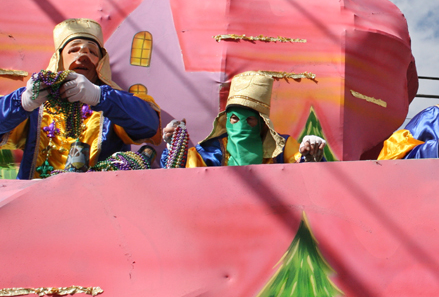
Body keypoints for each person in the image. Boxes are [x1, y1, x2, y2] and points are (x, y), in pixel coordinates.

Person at [0, 18, 162, 179]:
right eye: (74, 50)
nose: (84, 55)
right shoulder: (35, 99)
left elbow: (149, 125)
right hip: (36, 199)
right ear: (59, 59)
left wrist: (99, 96)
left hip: (100, 198)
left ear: (101, 63)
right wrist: (21, 103)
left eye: (92, 52)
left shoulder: (114, 101)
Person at [160, 71, 325, 167]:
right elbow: (181, 171)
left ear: (261, 123)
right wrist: (173, 143)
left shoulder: (281, 147)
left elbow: (304, 169)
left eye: (250, 119)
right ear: (226, 120)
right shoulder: (213, 151)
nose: (241, 125)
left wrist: (312, 155)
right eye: (234, 118)